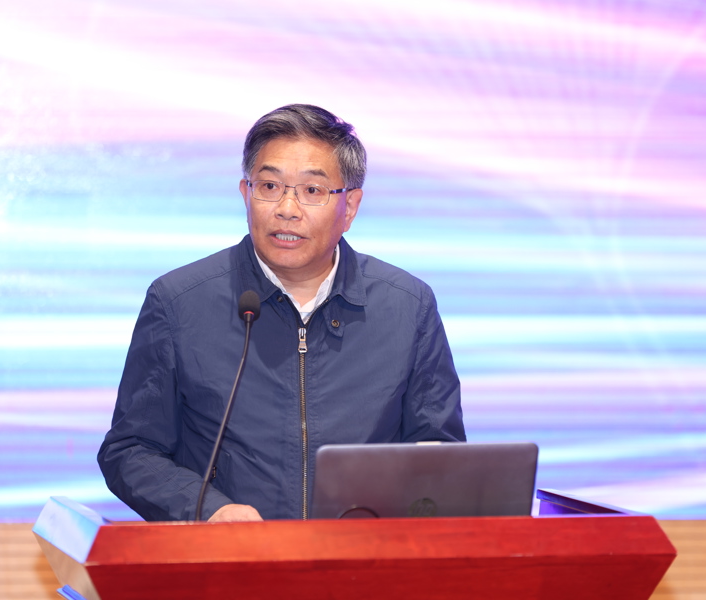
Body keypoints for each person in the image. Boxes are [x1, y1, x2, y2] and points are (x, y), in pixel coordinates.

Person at [98, 104, 465, 522]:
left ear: (349, 207)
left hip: (359, 558)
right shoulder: (179, 303)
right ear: (246, 193)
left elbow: (440, 456)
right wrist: (208, 509)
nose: (287, 208)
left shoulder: (407, 307)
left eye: (312, 191)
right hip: (229, 558)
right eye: (270, 186)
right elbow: (130, 451)